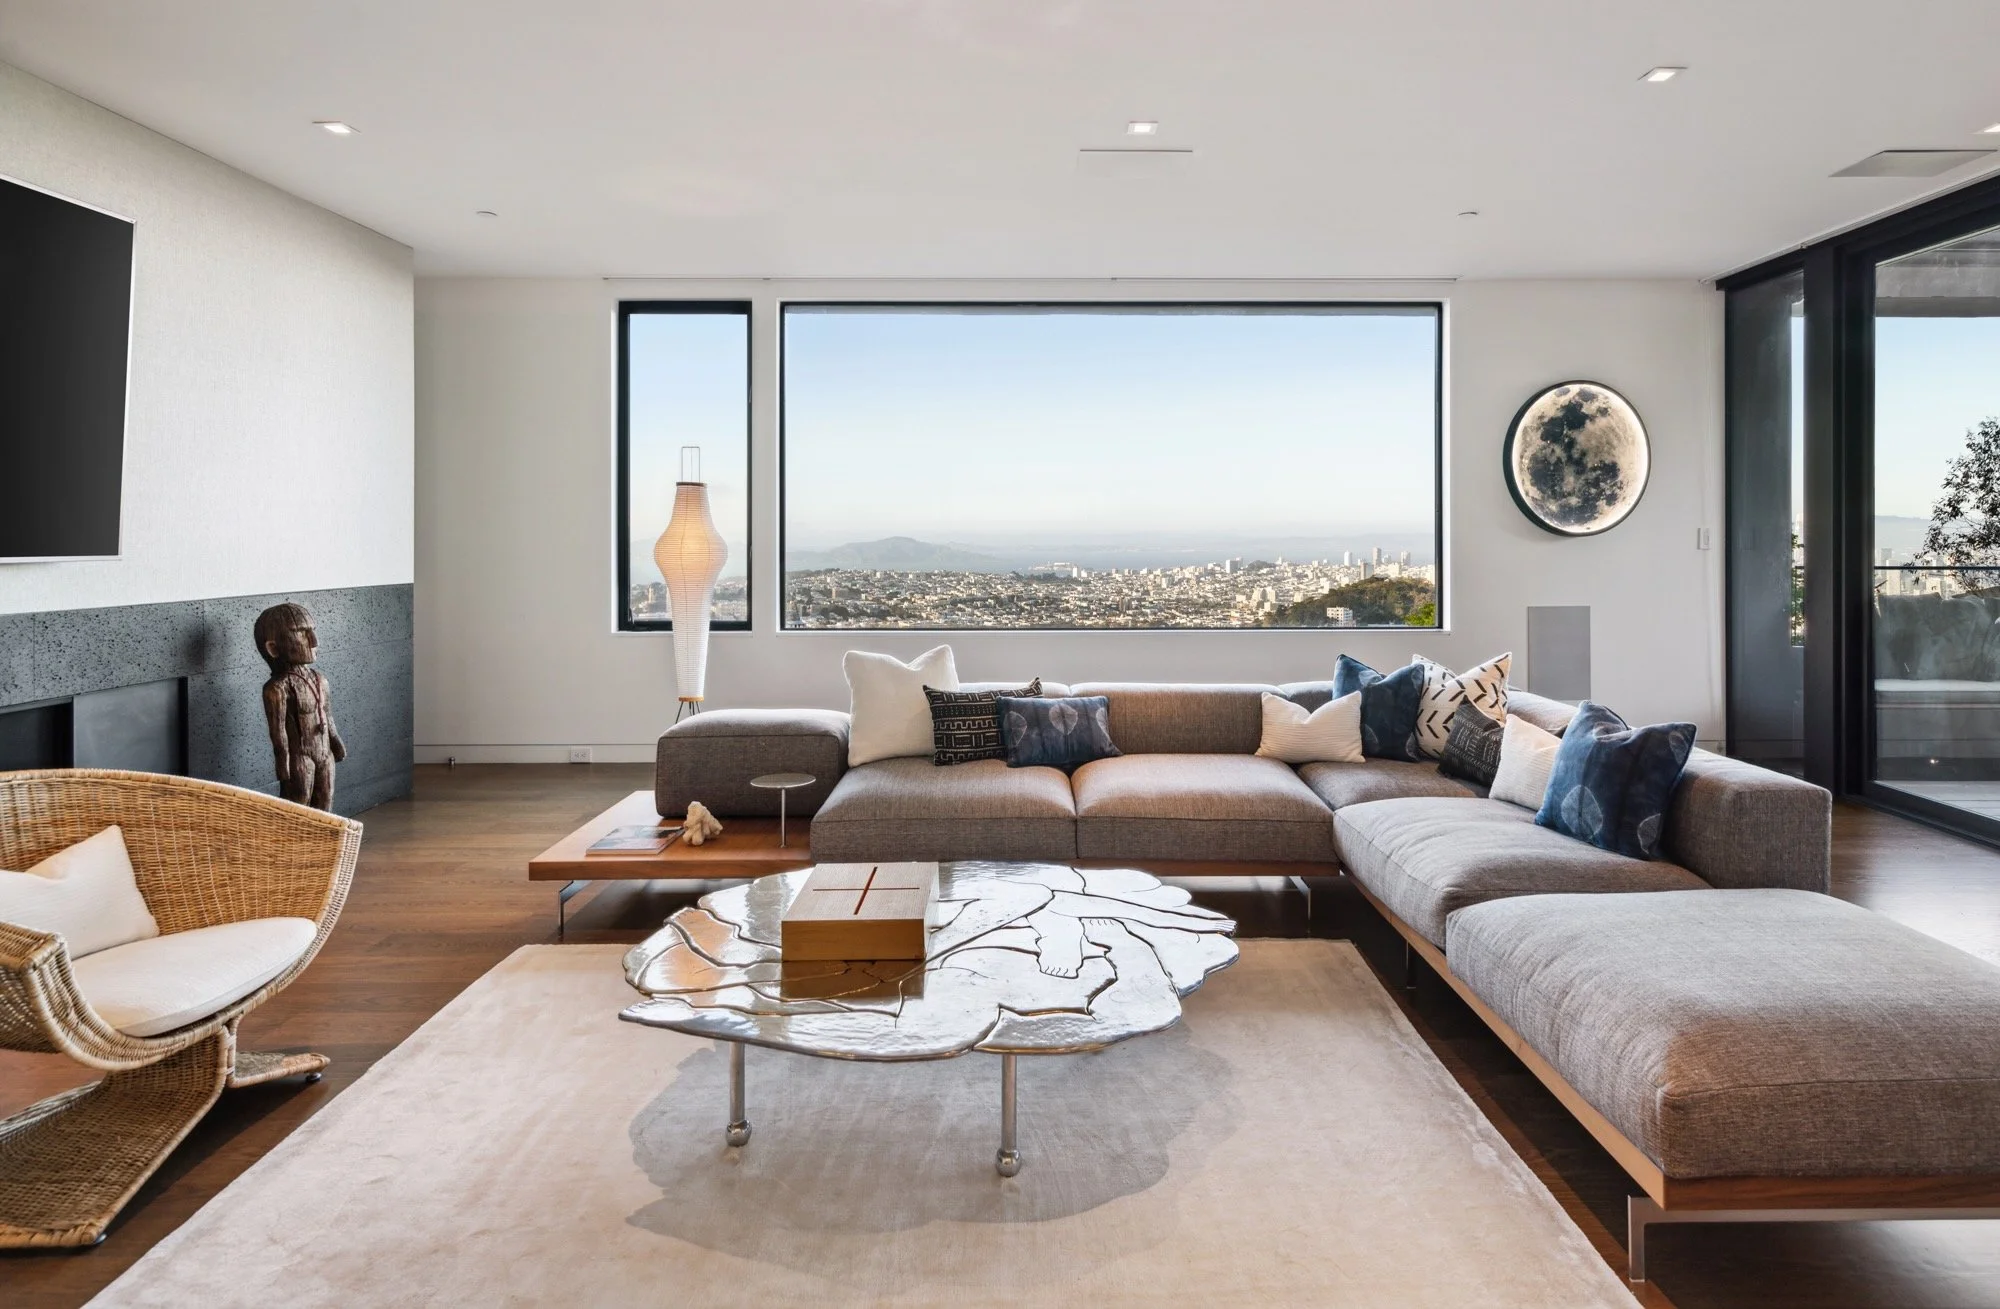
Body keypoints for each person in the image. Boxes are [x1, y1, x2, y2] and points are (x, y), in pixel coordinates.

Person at [254, 602, 345, 810]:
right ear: (273, 648)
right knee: (298, 804)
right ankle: (294, 842)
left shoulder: (319, 680)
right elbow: (278, 732)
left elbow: (327, 714)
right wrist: (282, 762)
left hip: (324, 752)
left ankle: (324, 842)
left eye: (312, 631)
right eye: (302, 633)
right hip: (299, 757)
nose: (314, 641)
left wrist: (335, 740)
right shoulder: (277, 688)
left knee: (325, 801)